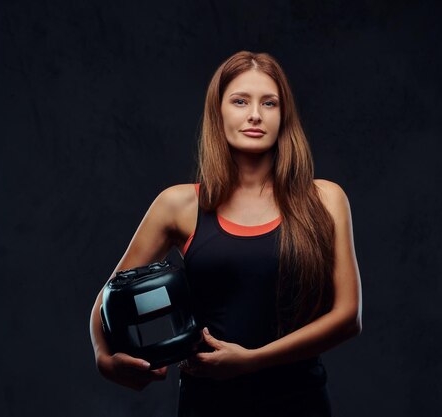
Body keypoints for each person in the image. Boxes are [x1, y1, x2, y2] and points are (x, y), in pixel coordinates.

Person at [89, 50, 363, 417]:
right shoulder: (179, 205)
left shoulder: (326, 199)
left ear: (284, 117)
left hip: (300, 401)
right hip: (208, 403)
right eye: (240, 101)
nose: (254, 114)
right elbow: (109, 299)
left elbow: (348, 316)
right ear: (218, 113)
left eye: (269, 103)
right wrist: (105, 359)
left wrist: (252, 361)